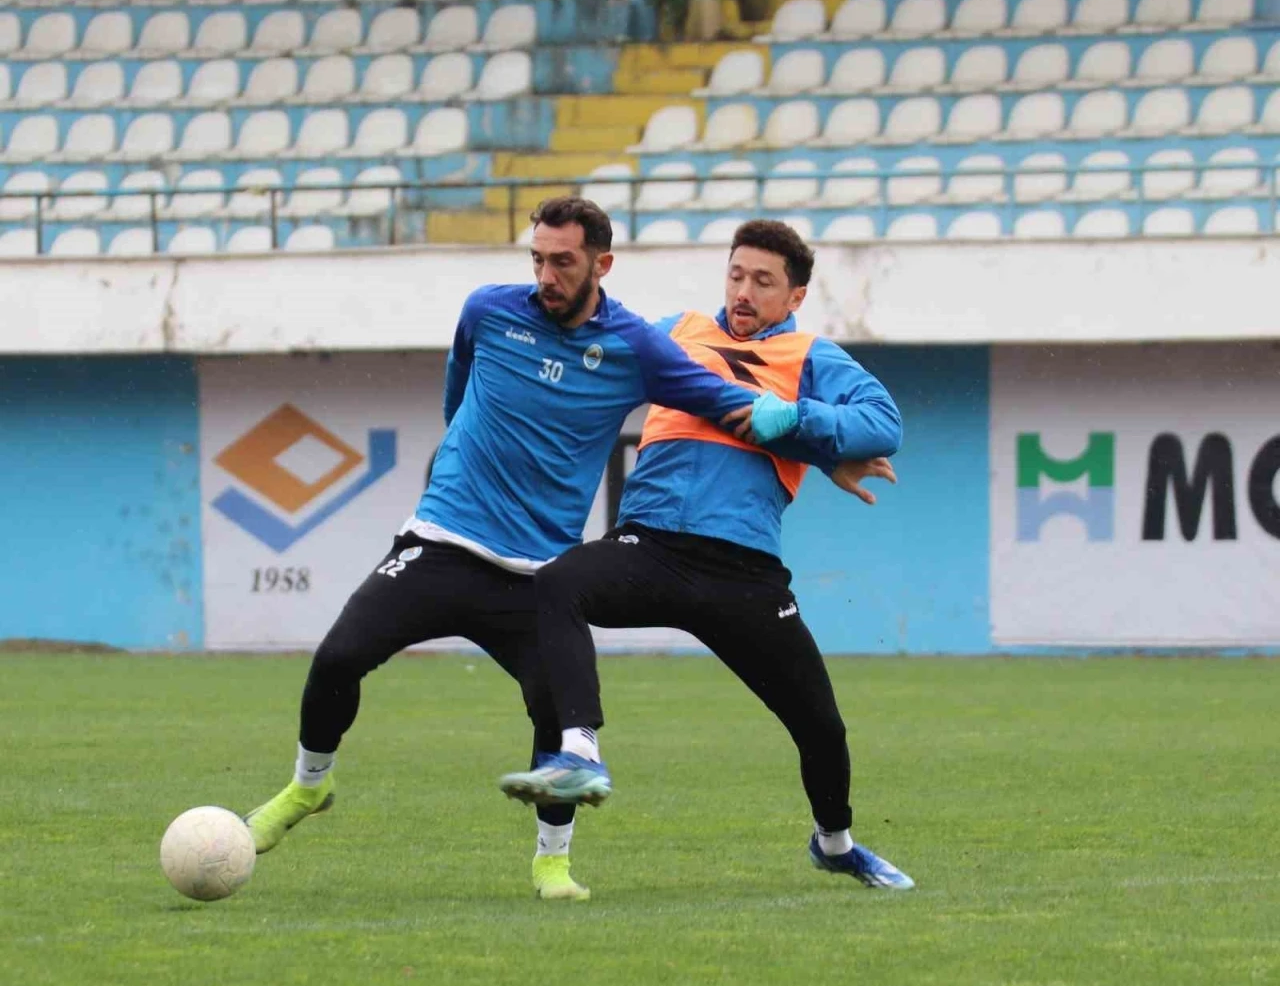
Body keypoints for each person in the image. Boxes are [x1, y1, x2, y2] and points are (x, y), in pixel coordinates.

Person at [243, 199, 834, 902]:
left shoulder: (636, 347)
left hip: (535, 569)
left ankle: (552, 863)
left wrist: (830, 447)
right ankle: (309, 785)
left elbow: (725, 402)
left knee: (555, 716)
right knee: (339, 657)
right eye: (538, 259)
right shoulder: (488, 310)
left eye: (563, 262)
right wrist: (463, 462)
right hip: (444, 539)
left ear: (601, 264)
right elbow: (458, 389)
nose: (546, 275)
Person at [498, 219, 915, 890]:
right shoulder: (677, 332)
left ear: (795, 296)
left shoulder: (810, 355)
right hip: (649, 545)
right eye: (736, 274)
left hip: (742, 572)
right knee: (557, 584)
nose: (744, 291)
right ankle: (573, 770)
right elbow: (594, 363)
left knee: (820, 726)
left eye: (763, 281)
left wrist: (800, 420)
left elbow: (882, 423)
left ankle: (835, 844)